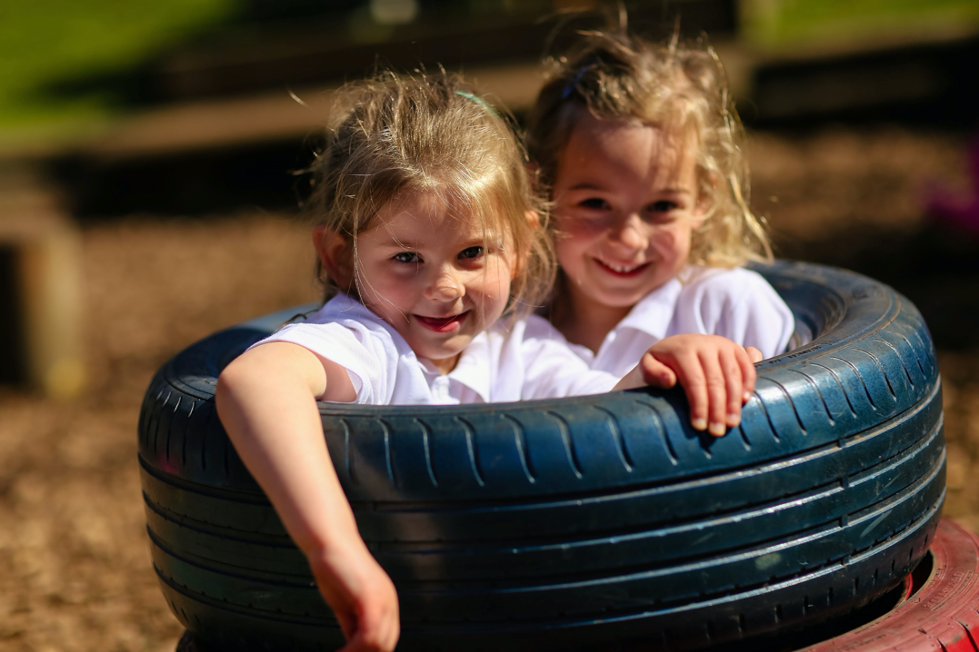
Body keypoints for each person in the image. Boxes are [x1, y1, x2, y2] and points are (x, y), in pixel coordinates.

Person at [215, 71, 759, 652]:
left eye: (472, 252)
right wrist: (335, 548)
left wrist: (666, 363)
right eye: (406, 257)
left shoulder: (519, 347)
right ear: (342, 258)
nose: (445, 287)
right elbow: (255, 380)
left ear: (519, 247)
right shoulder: (369, 341)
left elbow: (601, 419)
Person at [525, 27, 796, 436]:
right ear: (541, 190)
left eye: (661, 207)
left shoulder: (729, 307)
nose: (629, 239)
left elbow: (794, 433)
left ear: (702, 199)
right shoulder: (506, 324)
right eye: (595, 203)